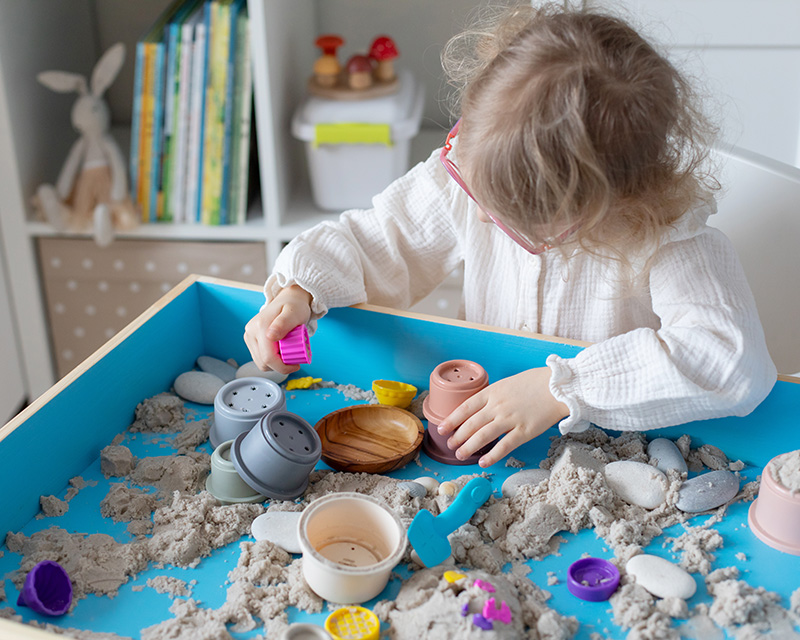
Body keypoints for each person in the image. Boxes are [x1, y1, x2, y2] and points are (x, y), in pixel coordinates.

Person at [244, 3, 776, 468]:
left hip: (602, 441)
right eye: (468, 186)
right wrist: (302, 288)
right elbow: (378, 240)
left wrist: (561, 390)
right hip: (485, 422)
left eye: (504, 217)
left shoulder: (665, 240)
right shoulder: (466, 174)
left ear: (589, 214)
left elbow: (730, 363)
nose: (475, 218)